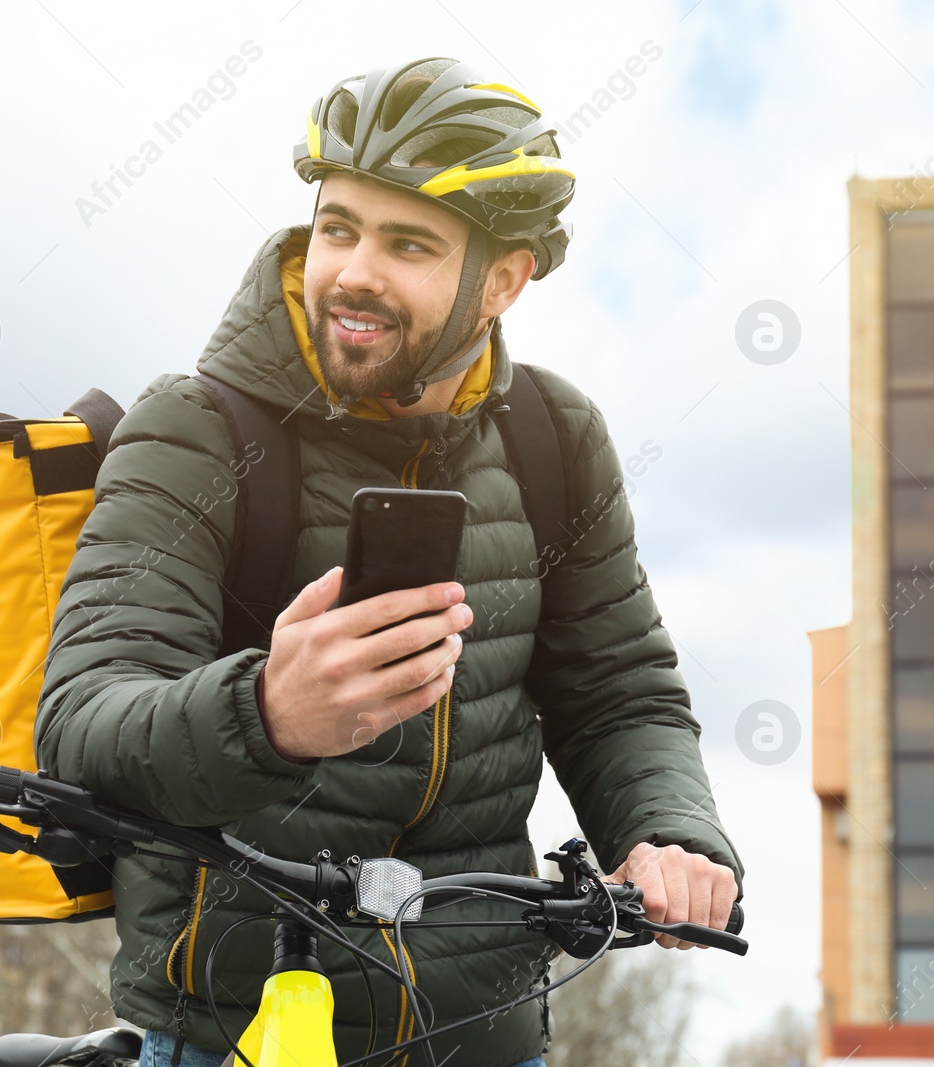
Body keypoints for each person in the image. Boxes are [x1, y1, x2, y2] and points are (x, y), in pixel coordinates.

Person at [37, 57, 742, 1067]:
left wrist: (673, 832)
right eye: (338, 228)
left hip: (484, 1032)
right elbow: (80, 726)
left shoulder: (554, 436)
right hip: (236, 1032)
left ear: (502, 281)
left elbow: (617, 693)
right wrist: (269, 713)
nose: (354, 271)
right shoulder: (192, 429)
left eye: (407, 243)